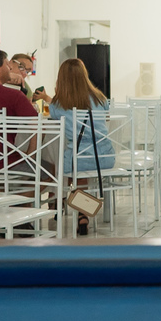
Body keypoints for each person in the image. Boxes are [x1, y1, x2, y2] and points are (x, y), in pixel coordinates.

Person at [48, 58, 115, 236]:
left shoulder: (56, 104)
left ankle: (76, 209)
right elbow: (105, 121)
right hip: (105, 157)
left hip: (79, 158)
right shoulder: (100, 98)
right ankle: (82, 210)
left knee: (66, 168)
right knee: (77, 167)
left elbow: (57, 126)